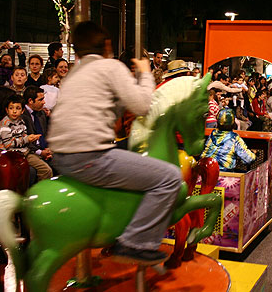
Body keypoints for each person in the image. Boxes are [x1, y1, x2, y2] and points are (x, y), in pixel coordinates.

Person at [49, 21, 179, 265]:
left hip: (61, 157)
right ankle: (135, 242)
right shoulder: (109, 66)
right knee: (169, 177)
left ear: (76, 51)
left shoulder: (74, 73)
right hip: (90, 156)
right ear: (107, 46)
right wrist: (145, 73)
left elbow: (112, 106)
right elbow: (142, 106)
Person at [21, 86, 54, 180]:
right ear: (31, 101)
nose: (44, 102)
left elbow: (46, 133)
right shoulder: (22, 115)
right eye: (41, 99)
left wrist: (48, 149)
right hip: (30, 151)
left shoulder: (41, 113)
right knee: (46, 170)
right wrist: (40, 152)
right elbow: (26, 142)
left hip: (44, 148)